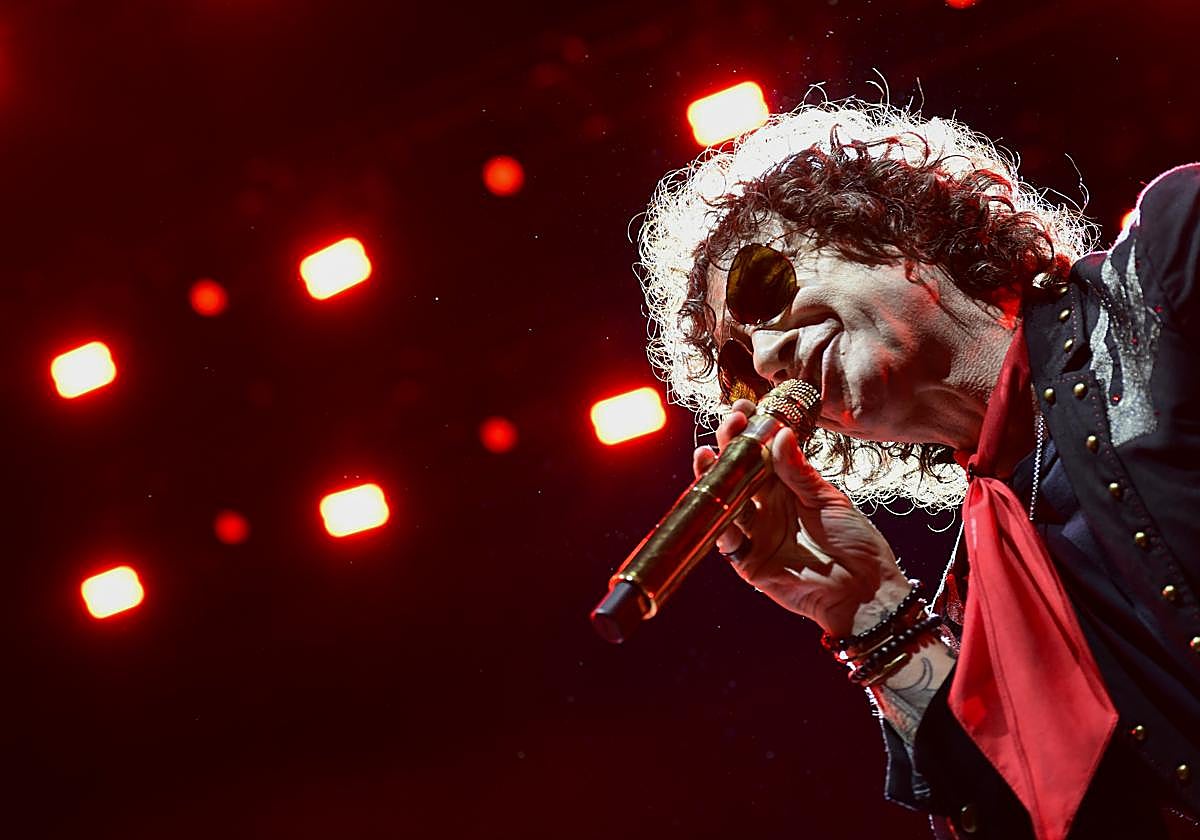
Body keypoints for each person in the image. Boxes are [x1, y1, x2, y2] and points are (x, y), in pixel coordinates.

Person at [637, 100, 1200, 838]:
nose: (769, 360)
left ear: (882, 219)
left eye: (762, 287)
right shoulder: (987, 591)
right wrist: (872, 617)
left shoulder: (1166, 262)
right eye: (745, 365)